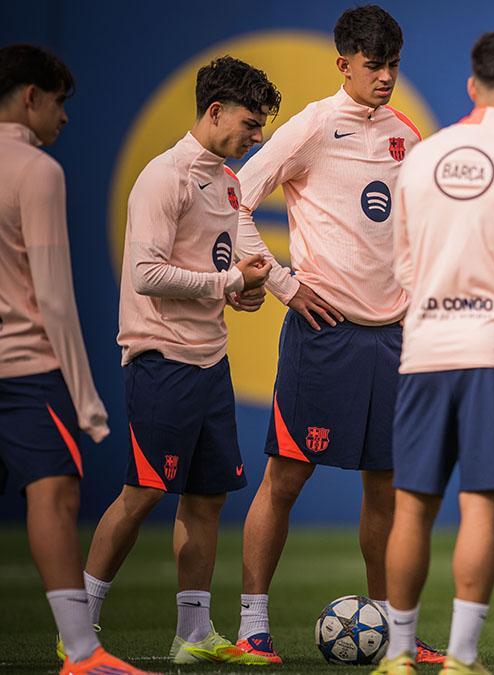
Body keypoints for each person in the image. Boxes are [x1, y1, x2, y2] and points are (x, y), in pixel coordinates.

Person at [231, 4, 441, 664]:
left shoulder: (407, 136)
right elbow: (235, 192)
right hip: (323, 336)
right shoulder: (314, 126)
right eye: (373, 65)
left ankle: (392, 630)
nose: (385, 77)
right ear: (343, 62)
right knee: (286, 476)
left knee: (386, 488)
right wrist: (284, 284)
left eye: (393, 66)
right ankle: (251, 625)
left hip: (394, 339)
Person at [372, 30, 494, 675]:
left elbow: (401, 267)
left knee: (412, 504)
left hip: (424, 350)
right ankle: (459, 659)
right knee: (480, 505)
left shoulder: (420, 159)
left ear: (470, 86)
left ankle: (399, 656)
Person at [81, 55, 275, 666]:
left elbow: (226, 266)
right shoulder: (162, 178)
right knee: (141, 491)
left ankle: (192, 635)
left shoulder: (228, 181)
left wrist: (242, 292)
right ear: (214, 111)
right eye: (249, 123)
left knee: (207, 497)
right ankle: (77, 628)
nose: (257, 137)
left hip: (209, 361)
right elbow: (145, 274)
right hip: (159, 357)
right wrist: (224, 284)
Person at [0, 43, 154, 675]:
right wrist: (87, 400)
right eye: (59, 102)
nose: (64, 118)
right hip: (28, 370)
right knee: (55, 495)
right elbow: (56, 299)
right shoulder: (38, 171)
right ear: (32, 96)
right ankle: (83, 654)